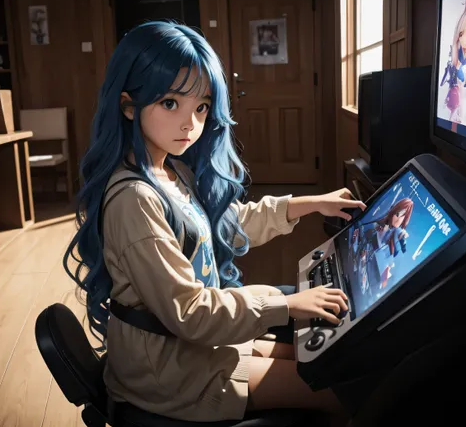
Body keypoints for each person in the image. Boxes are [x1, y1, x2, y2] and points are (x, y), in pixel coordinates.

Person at [63, 21, 366, 423]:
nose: (190, 123)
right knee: (337, 391)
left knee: (323, 359)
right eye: (170, 103)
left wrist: (311, 203)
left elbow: (225, 223)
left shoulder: (170, 170)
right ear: (128, 105)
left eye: (201, 106)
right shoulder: (134, 200)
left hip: (186, 349)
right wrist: (286, 304)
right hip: (167, 374)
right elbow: (191, 312)